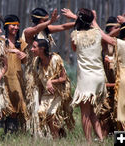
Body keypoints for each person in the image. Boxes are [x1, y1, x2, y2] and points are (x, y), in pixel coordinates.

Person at [22, 7, 75, 136]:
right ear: (39, 20)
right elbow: (35, 30)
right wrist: (50, 21)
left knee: (51, 104)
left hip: (48, 72)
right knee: (36, 103)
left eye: (48, 19)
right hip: (34, 73)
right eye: (45, 20)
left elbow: (63, 27)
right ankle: (38, 134)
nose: (49, 22)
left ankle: (54, 133)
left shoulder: (46, 29)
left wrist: (79, 22)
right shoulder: (28, 31)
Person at [65, 8, 106, 142]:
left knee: (85, 113)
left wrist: (74, 18)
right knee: (92, 111)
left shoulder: (75, 35)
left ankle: (88, 142)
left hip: (86, 78)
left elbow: (74, 48)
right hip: (99, 76)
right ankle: (101, 139)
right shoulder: (98, 33)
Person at [31, 39, 74, 139]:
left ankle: (56, 138)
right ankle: (58, 134)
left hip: (58, 93)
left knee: (51, 114)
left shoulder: (55, 59)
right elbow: (39, 84)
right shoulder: (36, 62)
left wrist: (51, 81)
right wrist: (39, 99)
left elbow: (63, 78)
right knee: (42, 113)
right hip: (46, 94)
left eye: (34, 47)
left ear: (42, 49)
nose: (32, 49)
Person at [0, 14, 28, 133]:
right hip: (2, 77)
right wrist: (12, 50)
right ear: (6, 26)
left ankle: (11, 131)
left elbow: (25, 61)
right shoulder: (0, 40)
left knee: (16, 102)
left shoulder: (20, 42)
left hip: (16, 78)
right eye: (13, 25)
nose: (16, 28)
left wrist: (24, 55)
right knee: (1, 103)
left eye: (17, 26)